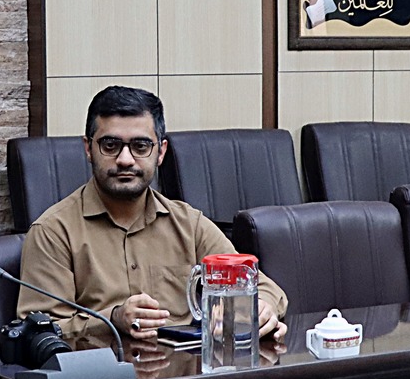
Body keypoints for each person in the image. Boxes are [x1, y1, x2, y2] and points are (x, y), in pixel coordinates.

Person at [18, 86, 287, 343]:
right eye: (110, 145)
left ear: (161, 152)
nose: (125, 159)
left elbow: (262, 287)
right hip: (103, 372)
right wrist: (112, 320)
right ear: (88, 149)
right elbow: (39, 330)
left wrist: (263, 307)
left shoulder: (188, 224)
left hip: (186, 369)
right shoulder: (53, 231)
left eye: (141, 146)